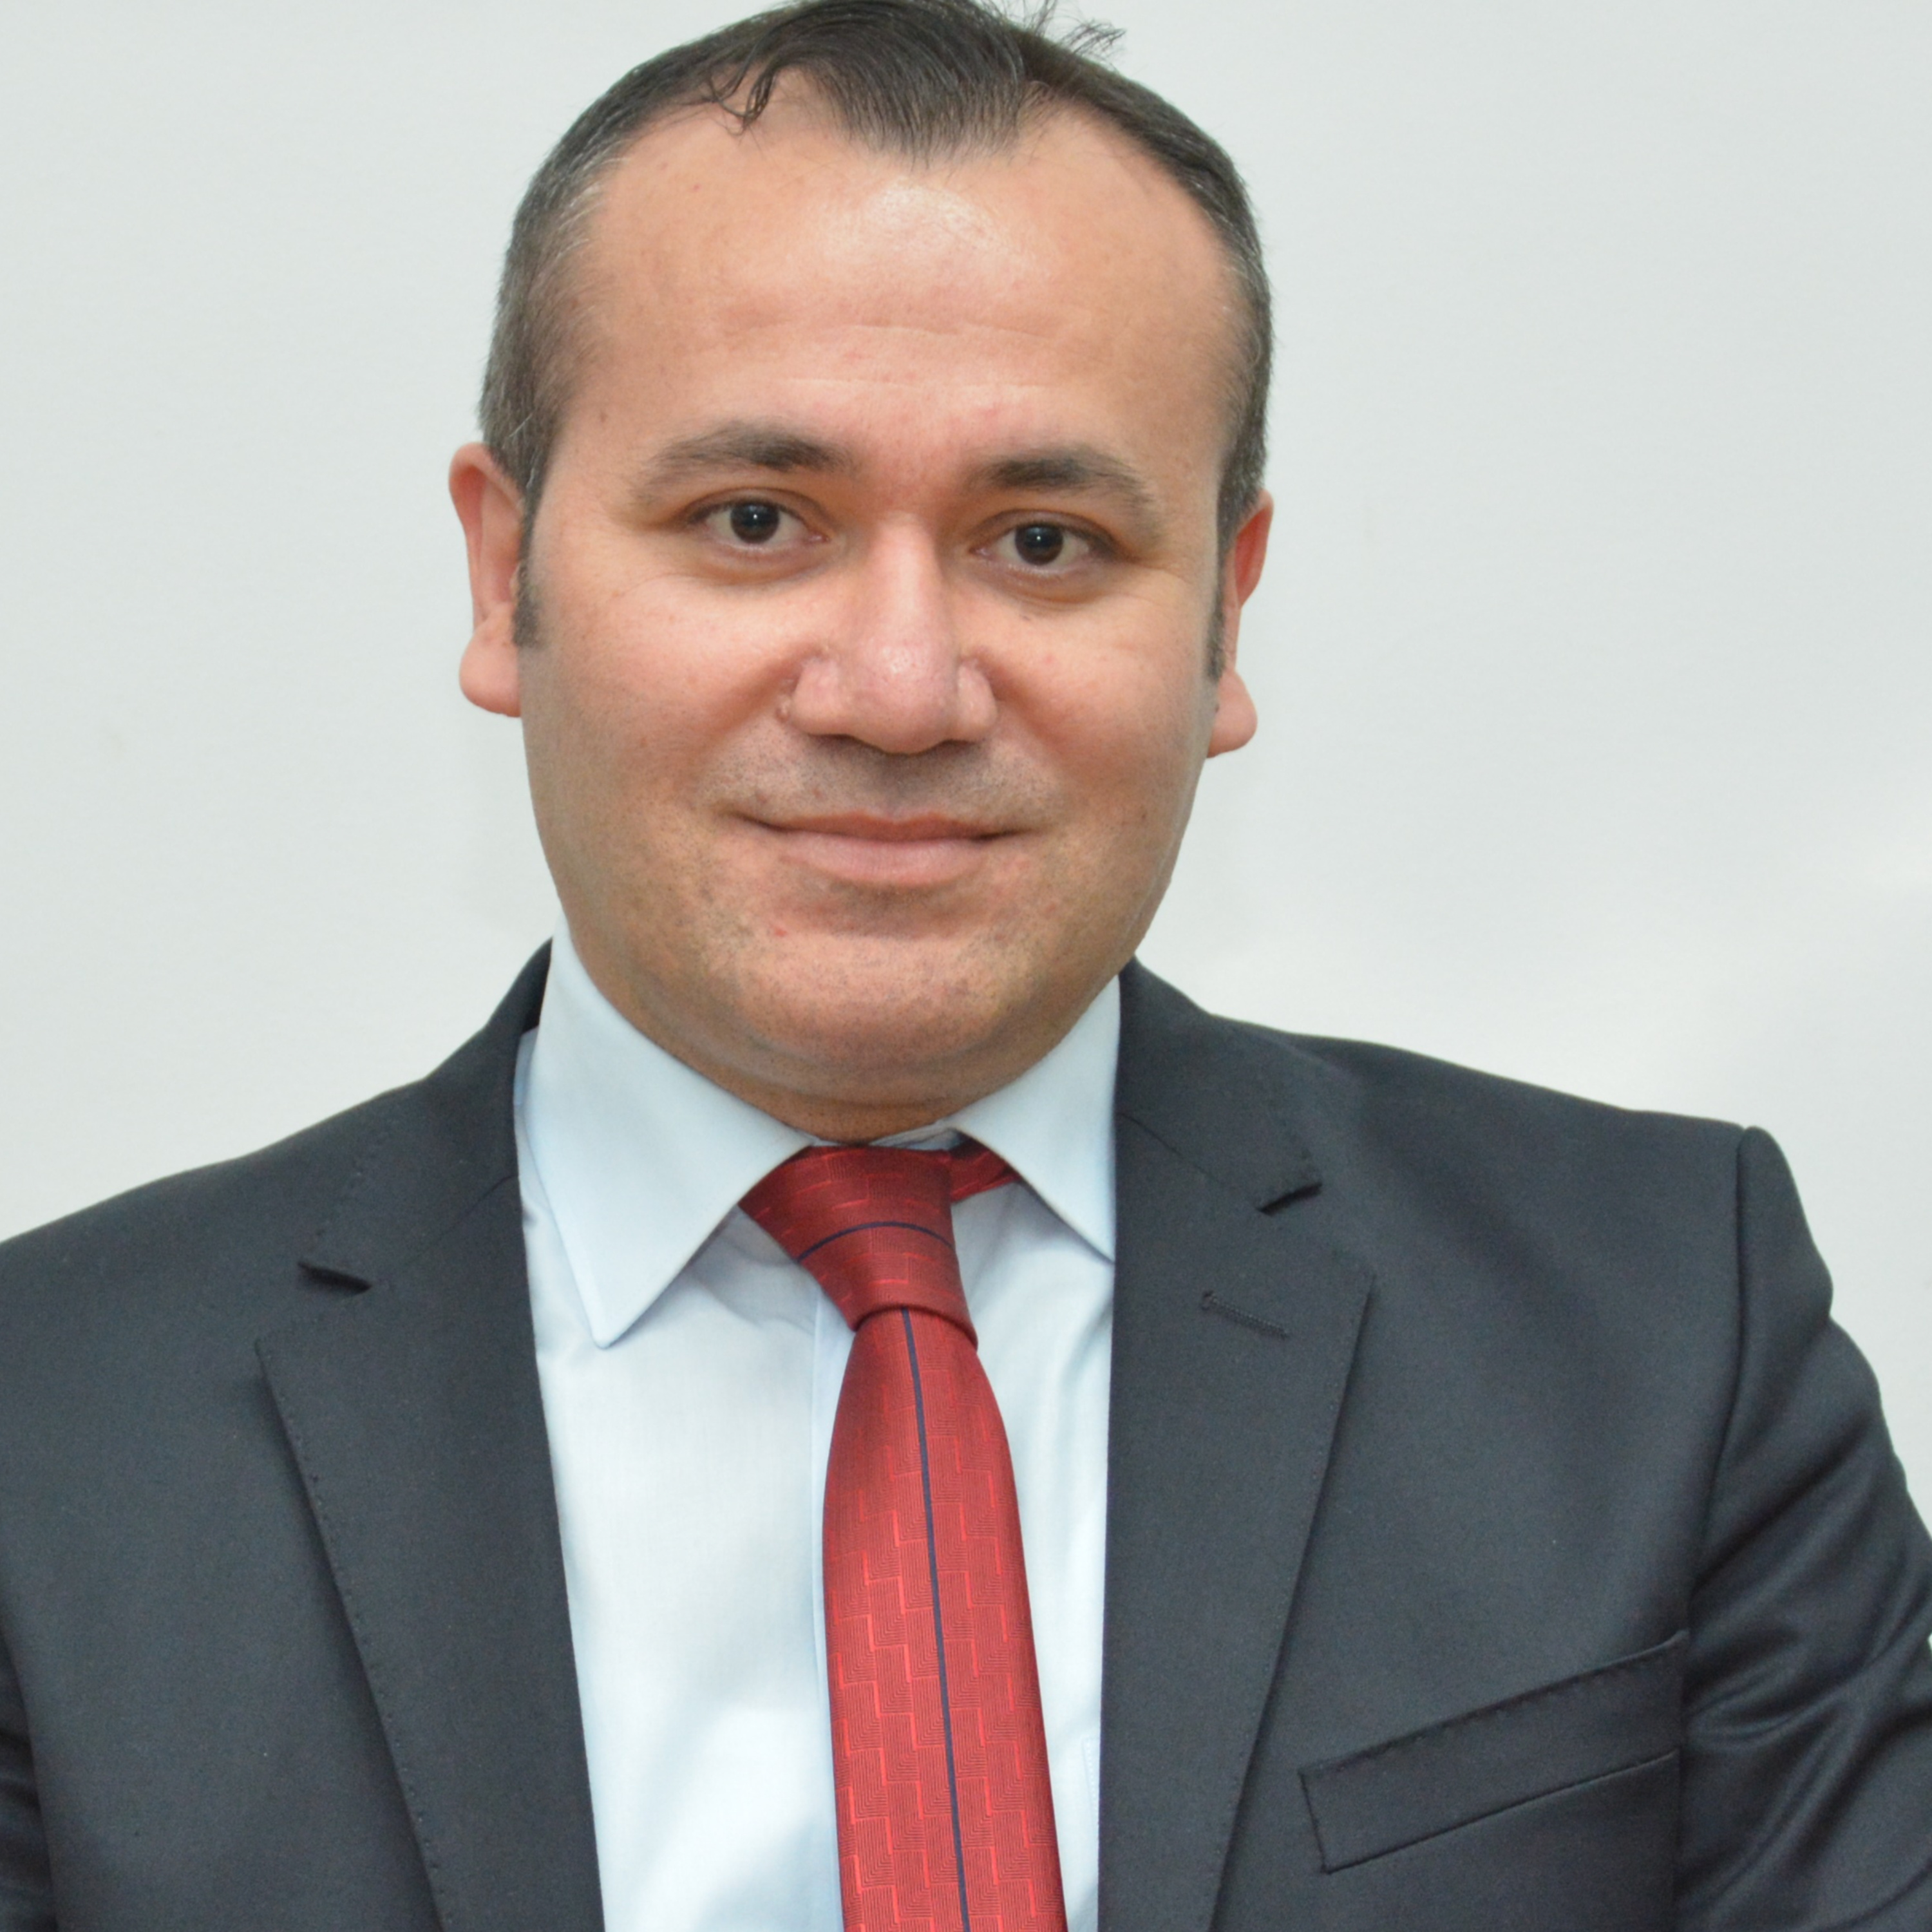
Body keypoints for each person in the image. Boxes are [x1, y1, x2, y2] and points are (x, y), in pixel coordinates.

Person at [1, 1, 1927, 1927]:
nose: (904, 688)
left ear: (1227, 615)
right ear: (504, 574)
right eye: (756, 521)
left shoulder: (1662, 1330)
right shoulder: (48, 1432)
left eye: (1046, 541)